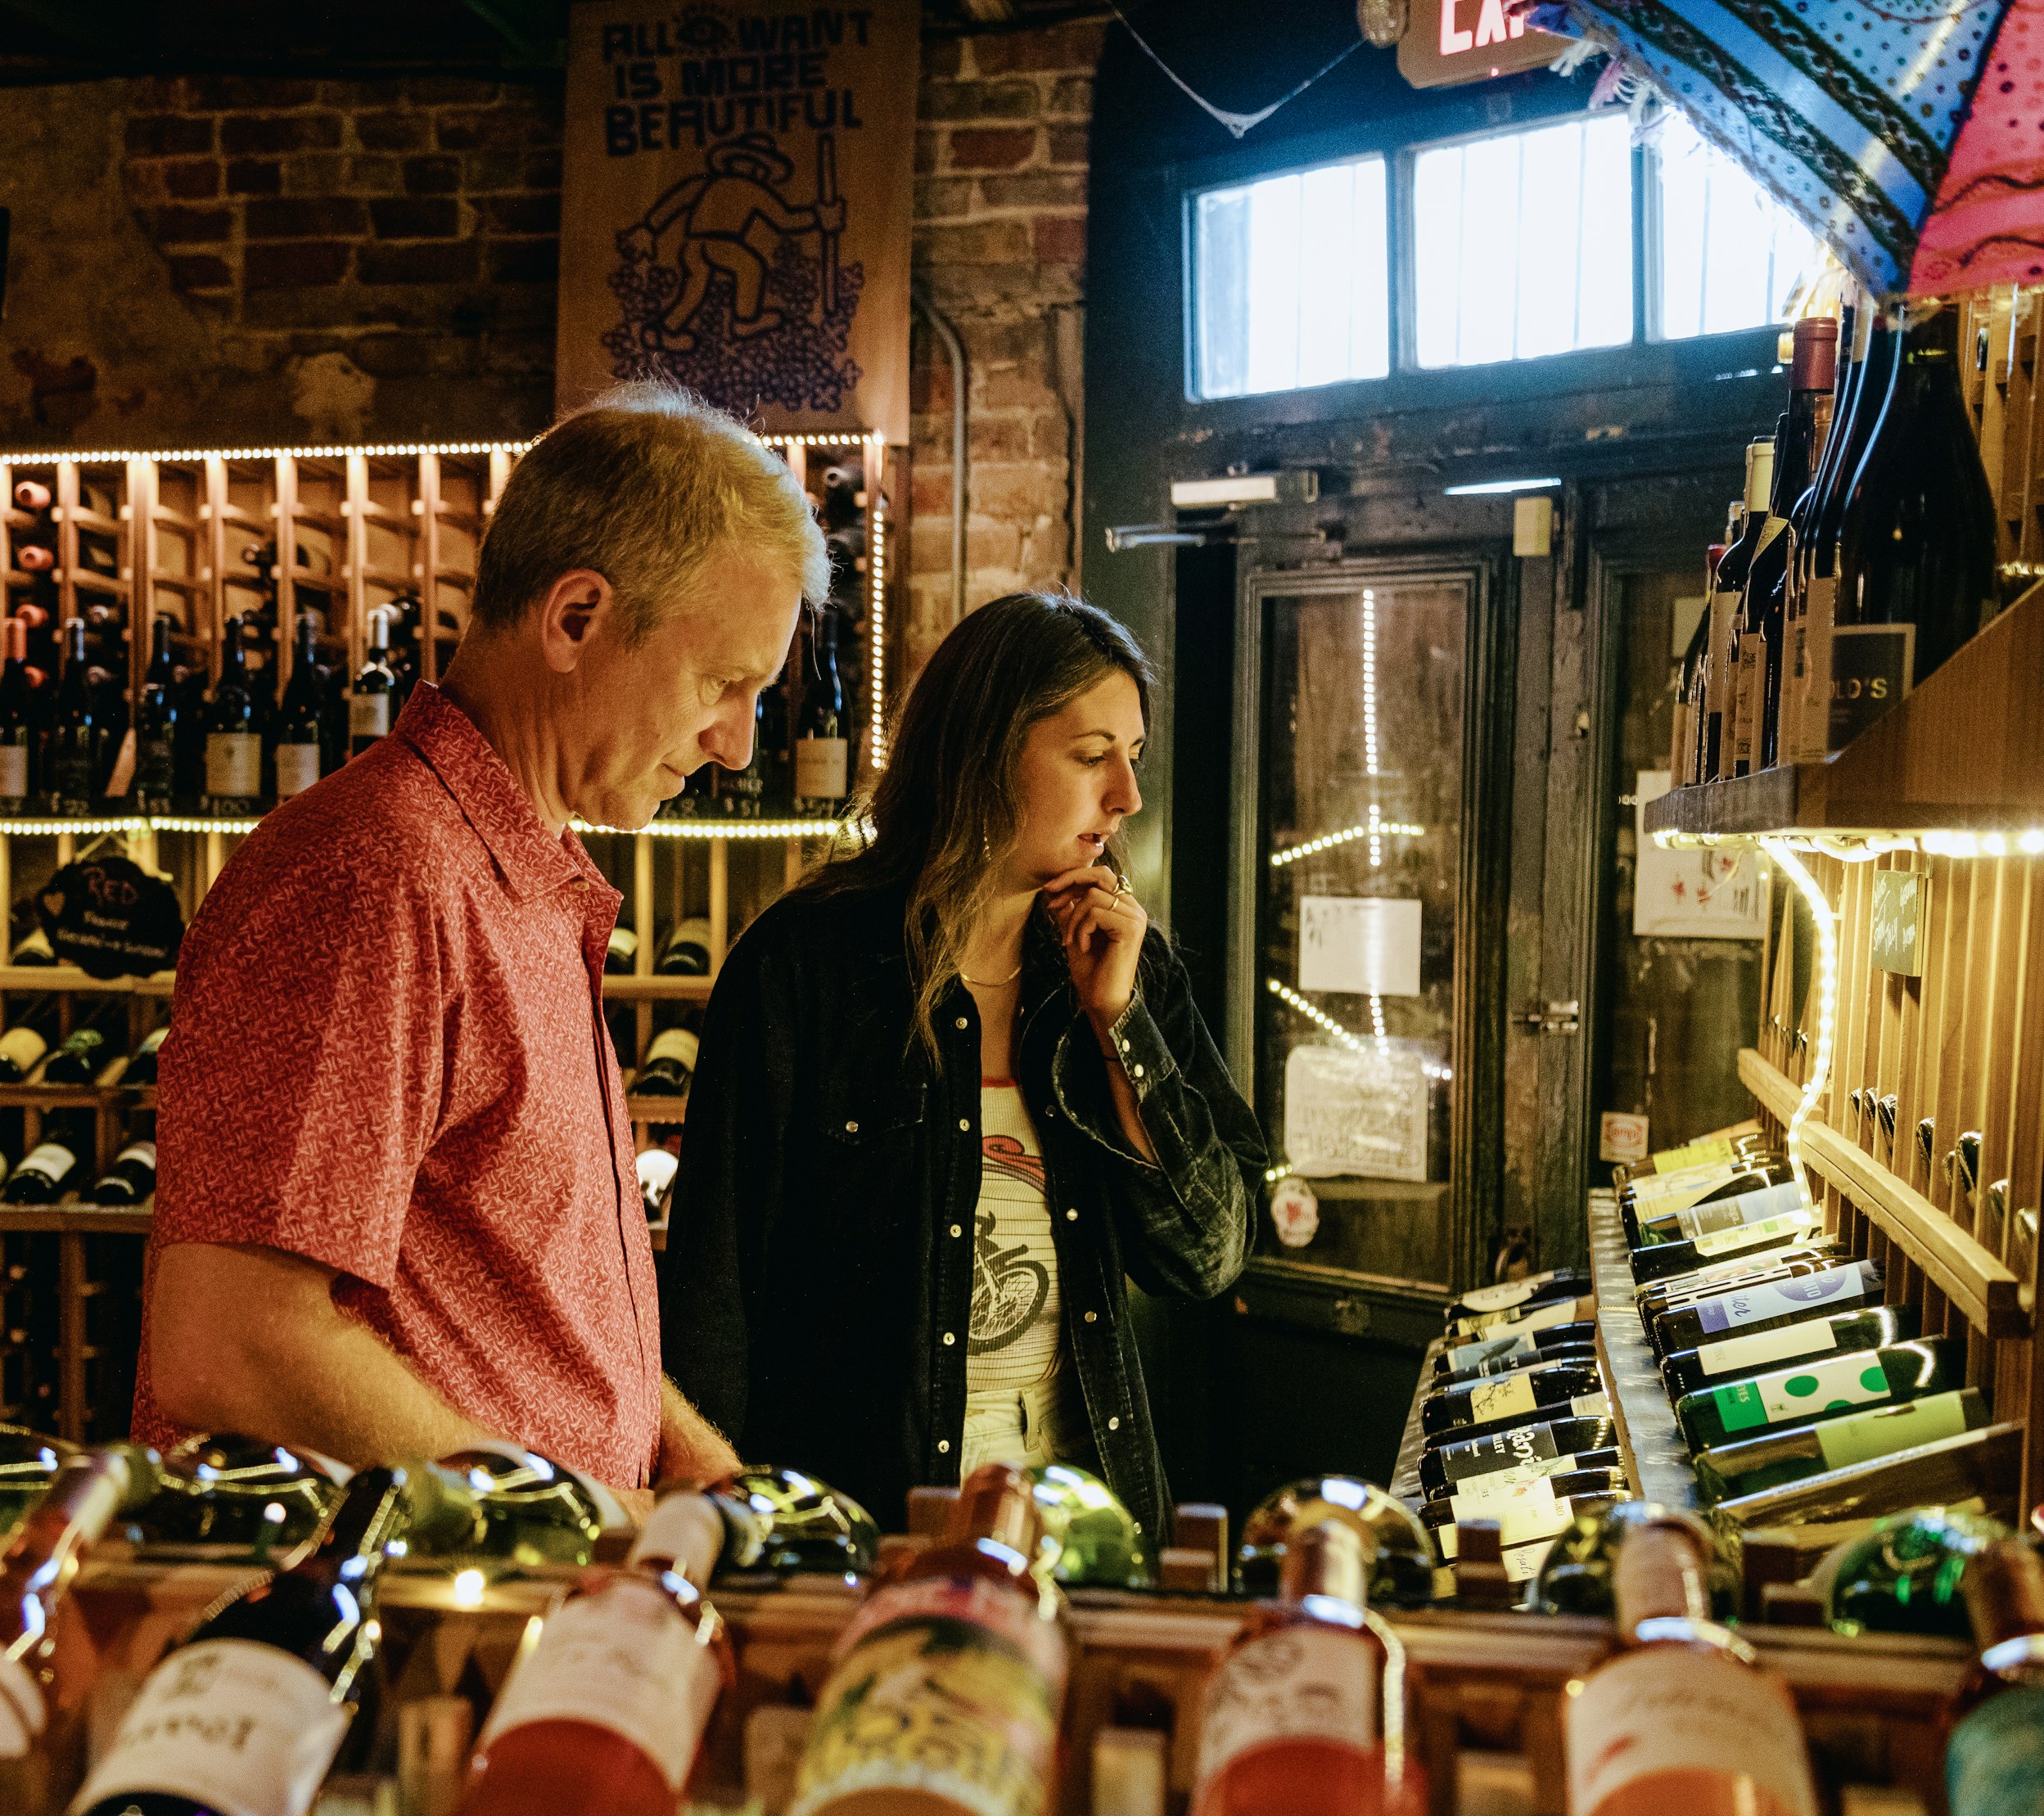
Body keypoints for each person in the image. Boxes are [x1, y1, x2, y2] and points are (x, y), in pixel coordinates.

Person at [135, 383, 826, 1511]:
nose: (738, 742)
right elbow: (235, 1338)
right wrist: (550, 1517)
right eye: (723, 682)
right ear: (575, 619)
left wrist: (665, 1436)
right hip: (375, 1627)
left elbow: (510, 1292)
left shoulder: (512, 876)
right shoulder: (378, 877)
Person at [661, 593, 1267, 1540]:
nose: (1127, 796)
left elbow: (1208, 1257)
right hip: (865, 1543)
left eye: (1133, 758)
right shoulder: (802, 967)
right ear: (986, 747)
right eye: (1090, 754)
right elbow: (712, 1300)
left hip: (1085, 1540)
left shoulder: (1125, 969)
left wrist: (1120, 1023)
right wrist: (726, 1537)